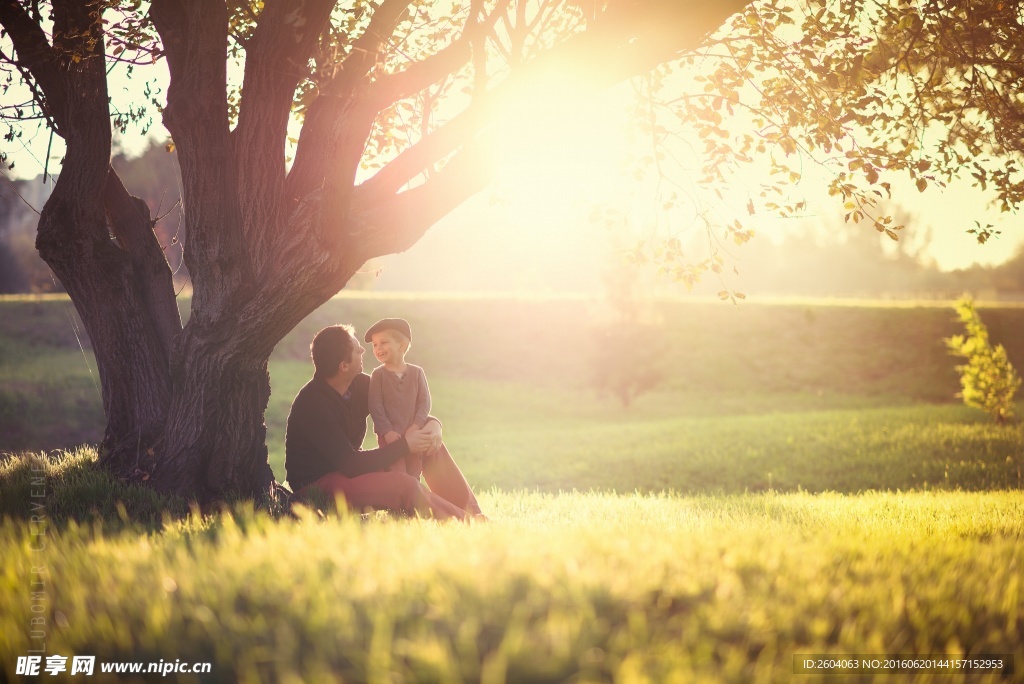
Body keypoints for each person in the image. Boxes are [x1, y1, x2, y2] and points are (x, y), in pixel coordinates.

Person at [285, 324, 484, 521]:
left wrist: (433, 425)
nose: (364, 350)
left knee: (427, 443)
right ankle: (468, 523)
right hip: (319, 483)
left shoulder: (360, 385)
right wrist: (405, 445)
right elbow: (350, 464)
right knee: (403, 486)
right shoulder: (313, 406)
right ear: (343, 366)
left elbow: (402, 411)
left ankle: (474, 513)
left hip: (350, 468)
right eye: (356, 350)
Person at [365, 318, 432, 478]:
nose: (378, 348)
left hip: (413, 434)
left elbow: (424, 402)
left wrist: (416, 425)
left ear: (402, 345)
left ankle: (414, 502)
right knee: (397, 473)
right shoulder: (378, 375)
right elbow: (375, 406)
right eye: (375, 345)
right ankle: (397, 502)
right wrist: (387, 431)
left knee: (414, 470)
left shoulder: (417, 373)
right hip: (389, 438)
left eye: (383, 342)